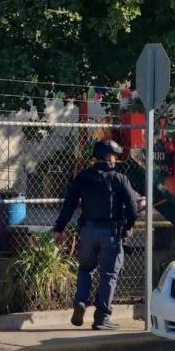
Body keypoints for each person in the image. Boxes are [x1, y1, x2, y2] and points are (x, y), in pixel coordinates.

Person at [53, 139, 138, 330]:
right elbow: (133, 208)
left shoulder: (83, 177)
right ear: (109, 156)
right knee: (109, 275)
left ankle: (81, 301)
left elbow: (69, 205)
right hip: (110, 234)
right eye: (115, 156)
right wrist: (127, 228)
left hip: (87, 232)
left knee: (85, 268)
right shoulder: (119, 178)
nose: (116, 160)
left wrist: (59, 228)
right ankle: (102, 318)